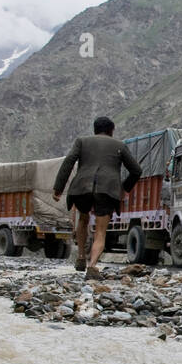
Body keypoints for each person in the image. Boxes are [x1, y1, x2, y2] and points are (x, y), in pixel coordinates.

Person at [53, 116, 142, 278]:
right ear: (111, 130)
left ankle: (80, 256)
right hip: (107, 190)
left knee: (82, 219)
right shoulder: (120, 145)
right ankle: (92, 266)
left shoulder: (81, 141)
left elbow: (69, 161)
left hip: (82, 187)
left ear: (94, 129)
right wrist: (124, 188)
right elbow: (136, 170)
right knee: (100, 231)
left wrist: (58, 188)